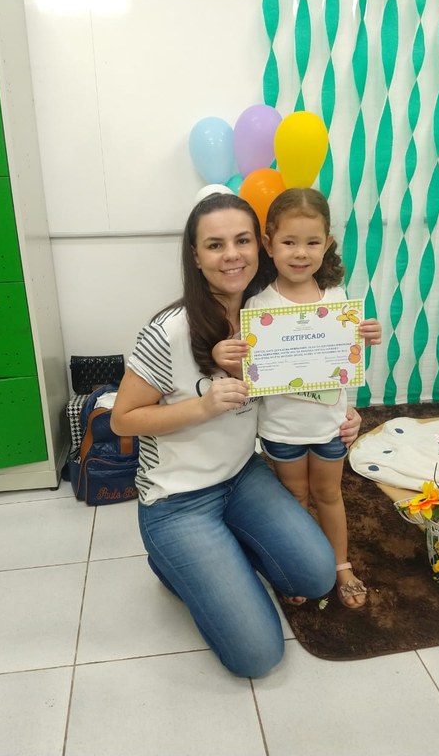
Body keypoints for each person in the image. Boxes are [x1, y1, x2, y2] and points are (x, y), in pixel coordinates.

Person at [110, 192, 362, 678]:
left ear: (259, 246)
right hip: (177, 500)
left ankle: (223, 549)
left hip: (243, 477)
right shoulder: (169, 330)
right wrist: (203, 406)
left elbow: (305, 380)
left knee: (315, 577)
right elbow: (122, 420)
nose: (232, 255)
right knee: (258, 656)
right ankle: (171, 559)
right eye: (215, 244)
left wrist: (344, 413)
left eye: (242, 240)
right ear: (195, 256)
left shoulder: (269, 313)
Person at [213, 188, 382, 609]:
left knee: (329, 495)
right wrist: (226, 355)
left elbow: (345, 364)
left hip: (330, 427)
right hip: (282, 429)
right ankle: (299, 564)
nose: (301, 253)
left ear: (327, 244)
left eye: (312, 242)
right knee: (295, 498)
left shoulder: (339, 301)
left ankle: (340, 565)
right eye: (289, 242)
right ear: (269, 244)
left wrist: (366, 336)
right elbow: (248, 376)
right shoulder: (257, 306)